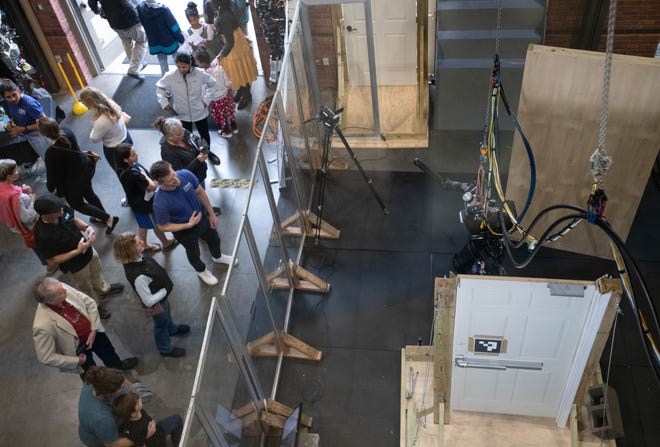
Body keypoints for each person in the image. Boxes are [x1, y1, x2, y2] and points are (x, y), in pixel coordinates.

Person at [34, 196, 124, 319]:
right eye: (57, 211)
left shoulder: (60, 210)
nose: (61, 211)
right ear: (45, 217)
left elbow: (74, 219)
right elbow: (53, 259)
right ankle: (94, 305)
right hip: (76, 265)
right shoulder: (43, 235)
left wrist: (87, 228)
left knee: (97, 273)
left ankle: (103, 289)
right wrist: (77, 251)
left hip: (89, 251)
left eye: (60, 208)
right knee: (85, 286)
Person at [150, 160, 235, 285]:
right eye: (170, 180)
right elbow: (162, 226)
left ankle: (218, 257)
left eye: (174, 174)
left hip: (202, 219)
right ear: (160, 183)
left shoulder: (185, 174)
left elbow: (200, 192)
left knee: (214, 239)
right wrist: (188, 225)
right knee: (194, 253)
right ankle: (201, 271)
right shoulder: (160, 202)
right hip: (184, 232)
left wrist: (211, 214)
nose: (176, 179)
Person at [32, 277, 138, 376]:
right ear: (51, 301)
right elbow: (45, 357)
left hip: (94, 332)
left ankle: (117, 367)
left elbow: (90, 303)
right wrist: (77, 361)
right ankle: (103, 387)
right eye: (61, 293)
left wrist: (93, 330)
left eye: (63, 288)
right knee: (91, 373)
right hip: (79, 349)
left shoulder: (60, 287)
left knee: (108, 351)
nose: (66, 291)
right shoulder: (42, 325)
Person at [37, 116, 119, 233]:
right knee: (89, 194)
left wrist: (50, 188)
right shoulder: (67, 131)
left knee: (78, 204)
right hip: (84, 169)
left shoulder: (51, 152)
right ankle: (102, 216)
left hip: (72, 182)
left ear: (44, 134)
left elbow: (53, 175)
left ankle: (109, 218)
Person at [113, 232, 189, 357]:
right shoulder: (139, 276)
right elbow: (148, 300)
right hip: (157, 303)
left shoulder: (137, 258)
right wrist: (164, 291)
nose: (142, 242)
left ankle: (172, 329)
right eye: (138, 243)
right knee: (161, 324)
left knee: (166, 315)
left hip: (162, 299)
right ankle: (165, 349)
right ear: (130, 252)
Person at [114, 144, 177, 252]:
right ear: (125, 159)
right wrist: (145, 175)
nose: (137, 155)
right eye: (133, 154)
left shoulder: (123, 168)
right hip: (144, 205)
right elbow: (152, 186)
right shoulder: (133, 173)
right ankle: (165, 243)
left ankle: (144, 245)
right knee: (156, 224)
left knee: (143, 224)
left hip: (136, 203)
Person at [155, 51, 216, 147]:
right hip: (181, 113)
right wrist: (164, 102)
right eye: (178, 67)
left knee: (204, 134)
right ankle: (190, 153)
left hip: (199, 110)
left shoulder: (200, 73)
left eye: (183, 67)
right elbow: (160, 87)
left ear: (190, 63)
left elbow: (212, 84)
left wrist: (206, 101)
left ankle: (207, 151)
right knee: (185, 136)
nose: (181, 69)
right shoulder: (171, 75)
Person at [0, 158, 47, 264]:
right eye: (15, 170)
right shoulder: (14, 197)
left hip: (13, 224)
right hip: (30, 226)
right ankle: (49, 263)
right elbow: (27, 218)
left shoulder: (2, 188)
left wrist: (23, 191)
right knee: (38, 243)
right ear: (8, 176)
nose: (18, 172)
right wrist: (33, 200)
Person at [214, 0, 257, 109]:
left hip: (234, 46)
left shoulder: (224, 17)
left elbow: (230, 42)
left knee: (241, 71)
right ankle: (241, 91)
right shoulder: (230, 3)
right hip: (239, 39)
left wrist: (220, 55)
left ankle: (247, 96)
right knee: (241, 70)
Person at [80, 86, 134, 174]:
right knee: (132, 162)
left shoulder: (101, 120)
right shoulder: (111, 104)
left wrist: (94, 127)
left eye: (84, 102)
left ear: (89, 103)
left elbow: (94, 139)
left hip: (115, 149)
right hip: (126, 138)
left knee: (123, 172)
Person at [88, 0, 147, 80]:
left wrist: (99, 11)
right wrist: (137, 20)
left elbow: (91, 3)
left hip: (114, 23)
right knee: (141, 41)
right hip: (127, 21)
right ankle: (134, 69)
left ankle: (135, 65)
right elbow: (127, 5)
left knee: (126, 42)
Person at [78, 366, 134, 447]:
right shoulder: (102, 419)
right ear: (108, 394)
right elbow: (114, 444)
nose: (125, 386)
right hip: (100, 440)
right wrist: (141, 437)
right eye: (122, 387)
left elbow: (123, 380)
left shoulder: (94, 382)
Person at [0, 78, 51, 159]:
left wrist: (23, 128)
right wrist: (10, 122)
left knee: (50, 158)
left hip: (39, 134)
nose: (12, 99)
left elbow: (44, 122)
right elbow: (16, 113)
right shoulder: (9, 102)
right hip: (29, 135)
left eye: (14, 95)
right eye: (8, 97)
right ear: (4, 97)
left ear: (18, 91)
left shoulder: (29, 103)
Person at [194, 46, 238, 138]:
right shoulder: (219, 68)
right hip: (225, 96)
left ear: (200, 62)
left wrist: (203, 101)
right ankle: (234, 127)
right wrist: (230, 89)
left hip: (216, 100)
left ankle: (226, 132)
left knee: (221, 116)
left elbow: (204, 91)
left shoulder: (203, 76)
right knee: (229, 112)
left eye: (196, 61)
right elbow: (227, 82)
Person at [112, 392, 183, 447]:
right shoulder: (137, 430)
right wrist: (147, 436)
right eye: (137, 403)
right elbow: (139, 443)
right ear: (133, 414)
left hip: (156, 431)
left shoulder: (130, 416)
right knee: (177, 419)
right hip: (156, 440)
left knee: (176, 418)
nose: (140, 399)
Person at [136, 0, 185, 76]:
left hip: (154, 41)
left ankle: (165, 81)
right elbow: (173, 25)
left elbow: (141, 22)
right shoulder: (163, 9)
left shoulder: (140, 8)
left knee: (162, 63)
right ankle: (182, 76)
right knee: (177, 59)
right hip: (169, 41)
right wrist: (181, 38)